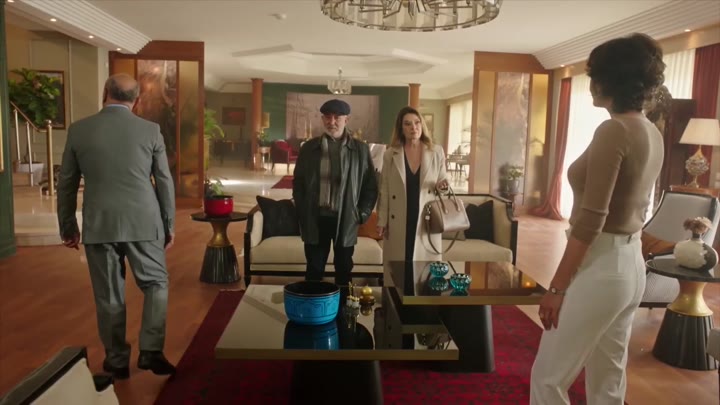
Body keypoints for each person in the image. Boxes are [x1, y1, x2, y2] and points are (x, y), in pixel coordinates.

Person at [530, 33, 665, 404]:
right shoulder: (650, 131)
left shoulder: (614, 130)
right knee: (608, 377)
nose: (591, 83)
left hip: (602, 267)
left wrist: (556, 288)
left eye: (594, 75)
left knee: (548, 378)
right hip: (631, 265)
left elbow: (592, 219)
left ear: (610, 80)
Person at [57, 74, 177, 379]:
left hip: (100, 223)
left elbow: (66, 183)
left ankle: (117, 360)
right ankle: (151, 351)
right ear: (136, 100)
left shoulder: (79, 130)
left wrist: (68, 226)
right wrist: (168, 224)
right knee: (156, 284)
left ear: (105, 93)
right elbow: (164, 181)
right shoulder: (150, 130)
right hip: (143, 221)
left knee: (109, 294)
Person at [292, 99, 378, 286]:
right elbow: (298, 182)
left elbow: (370, 186)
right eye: (328, 117)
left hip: (346, 218)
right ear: (323, 119)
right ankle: (314, 304)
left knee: (344, 269)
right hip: (316, 217)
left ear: (346, 120)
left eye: (337, 117)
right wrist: (302, 209)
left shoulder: (360, 150)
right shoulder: (309, 148)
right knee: (314, 269)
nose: (332, 122)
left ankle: (344, 304)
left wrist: (362, 213)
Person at [376, 106, 449, 263]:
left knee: (424, 266)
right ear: (401, 128)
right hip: (398, 215)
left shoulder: (436, 152)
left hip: (426, 214)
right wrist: (382, 221)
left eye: (417, 122)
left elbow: (443, 183)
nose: (413, 127)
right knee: (400, 264)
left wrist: (442, 186)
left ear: (422, 125)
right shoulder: (390, 154)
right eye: (407, 124)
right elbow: (385, 190)